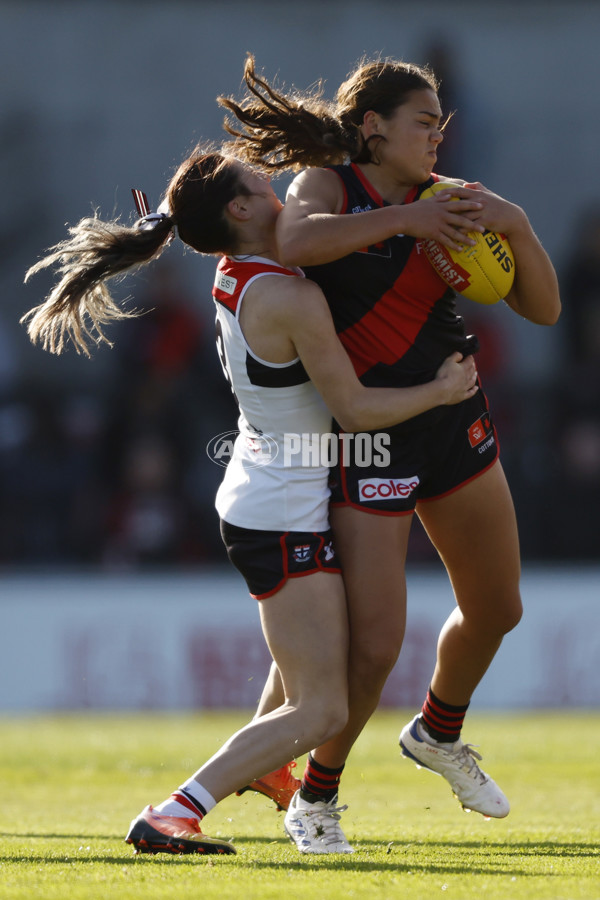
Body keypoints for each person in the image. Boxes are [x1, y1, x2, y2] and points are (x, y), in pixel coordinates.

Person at [23, 145, 478, 855]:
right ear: (239, 209)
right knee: (322, 705)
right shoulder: (288, 295)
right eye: (266, 188)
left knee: (311, 668)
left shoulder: (246, 274)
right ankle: (176, 808)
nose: (284, 196)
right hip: (280, 509)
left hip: (270, 491)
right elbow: (355, 409)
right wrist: (441, 391)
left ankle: (263, 772)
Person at [218, 54, 561, 823]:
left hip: (453, 418)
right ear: (372, 127)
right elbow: (300, 245)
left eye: (442, 125)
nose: (438, 138)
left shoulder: (452, 201)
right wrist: (411, 218)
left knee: (498, 608)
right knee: (373, 648)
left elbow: (543, 310)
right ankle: (317, 798)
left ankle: (438, 734)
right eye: (424, 122)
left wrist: (517, 225)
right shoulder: (328, 186)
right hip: (371, 439)